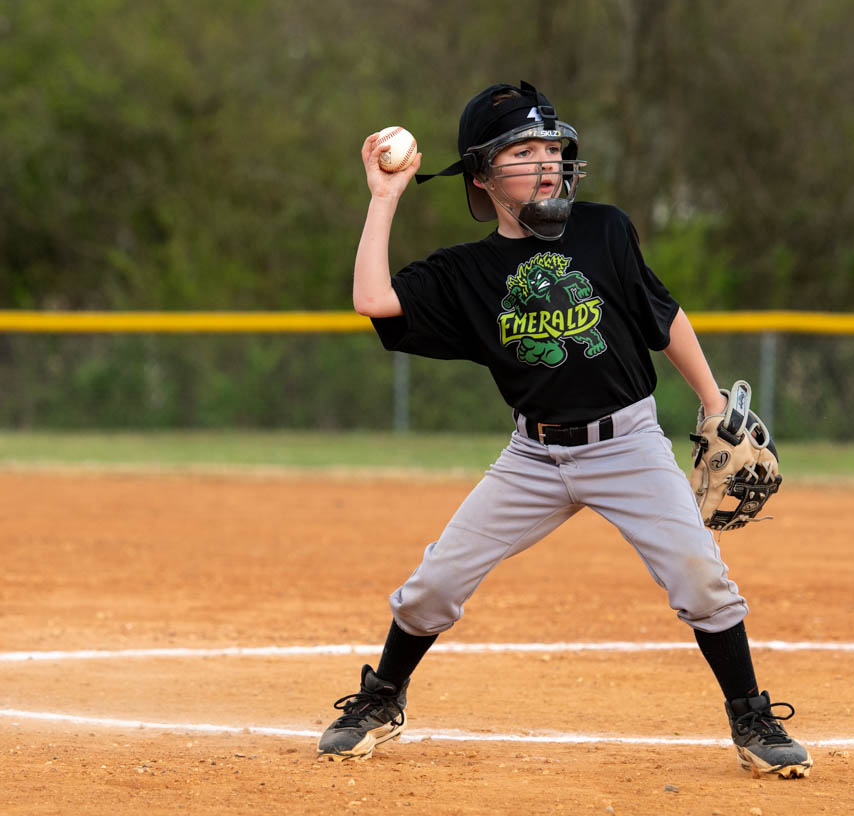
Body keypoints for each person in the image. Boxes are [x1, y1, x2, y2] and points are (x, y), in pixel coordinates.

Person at [316, 81, 812, 778]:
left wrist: (712, 401)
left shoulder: (604, 229)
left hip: (629, 443)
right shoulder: (469, 272)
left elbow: (662, 315)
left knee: (702, 579)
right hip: (534, 455)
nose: (547, 161)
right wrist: (384, 196)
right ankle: (382, 698)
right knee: (434, 584)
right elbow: (373, 298)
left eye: (552, 147)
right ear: (482, 175)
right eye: (523, 151)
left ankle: (751, 717)